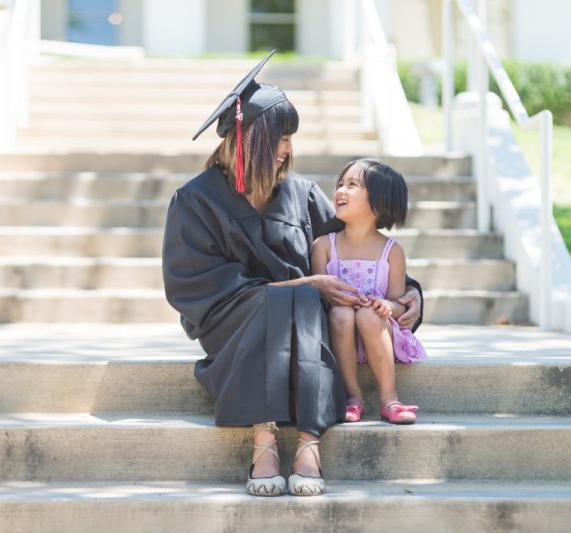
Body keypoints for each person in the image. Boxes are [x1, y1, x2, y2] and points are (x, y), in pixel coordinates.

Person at [161, 51, 423, 497]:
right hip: (233, 323)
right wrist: (301, 286)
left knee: (300, 306)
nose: (288, 148)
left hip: (302, 324)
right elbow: (196, 286)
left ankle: (308, 444)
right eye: (281, 137)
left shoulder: (299, 193)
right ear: (253, 139)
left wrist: (409, 293)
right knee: (290, 302)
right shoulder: (196, 202)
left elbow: (352, 244)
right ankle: (264, 441)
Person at [312, 159, 427, 425]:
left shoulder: (391, 252)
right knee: (341, 312)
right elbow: (320, 299)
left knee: (368, 313)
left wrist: (386, 306)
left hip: (377, 332)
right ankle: (353, 398)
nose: (340, 190)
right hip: (340, 332)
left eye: (352, 185)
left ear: (379, 201)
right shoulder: (324, 247)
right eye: (340, 184)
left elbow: (399, 304)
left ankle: (390, 399)